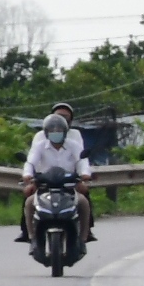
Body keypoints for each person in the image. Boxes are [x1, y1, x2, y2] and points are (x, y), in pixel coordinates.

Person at [21, 103, 94, 244]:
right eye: (52, 128)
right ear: (46, 131)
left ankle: (84, 236)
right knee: (29, 201)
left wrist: (84, 175)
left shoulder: (74, 142)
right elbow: (30, 162)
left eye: (60, 127)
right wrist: (28, 176)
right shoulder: (40, 143)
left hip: (68, 181)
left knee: (84, 201)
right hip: (44, 181)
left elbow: (81, 161)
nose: (56, 130)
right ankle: (30, 235)